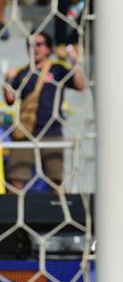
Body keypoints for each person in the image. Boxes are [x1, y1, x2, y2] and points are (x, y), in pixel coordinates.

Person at [3, 34, 86, 191]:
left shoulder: (58, 68)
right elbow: (10, 100)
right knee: (15, 178)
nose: (34, 48)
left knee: (55, 180)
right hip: (25, 134)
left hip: (51, 132)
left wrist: (76, 61)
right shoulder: (22, 73)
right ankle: (16, 213)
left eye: (39, 44)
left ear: (48, 48)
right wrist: (7, 80)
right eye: (30, 45)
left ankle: (58, 213)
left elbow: (80, 86)